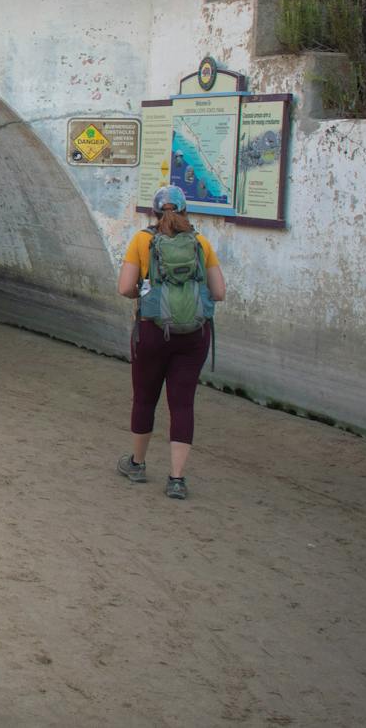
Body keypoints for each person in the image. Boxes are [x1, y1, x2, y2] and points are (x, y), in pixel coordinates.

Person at [116, 185, 226, 499]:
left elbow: (125, 287)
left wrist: (146, 296)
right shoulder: (201, 243)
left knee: (145, 398)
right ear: (185, 211)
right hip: (193, 336)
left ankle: (137, 463)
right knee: (182, 403)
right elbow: (218, 292)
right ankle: (177, 479)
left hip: (152, 331)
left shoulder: (142, 240)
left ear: (154, 212)